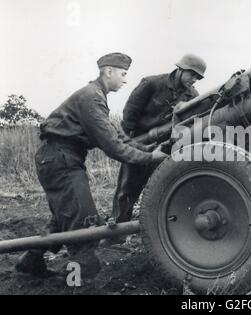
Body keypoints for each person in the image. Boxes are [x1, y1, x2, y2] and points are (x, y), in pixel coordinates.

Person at [15, 53, 167, 278]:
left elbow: (118, 136)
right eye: (123, 74)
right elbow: (112, 145)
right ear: (108, 71)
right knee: (85, 226)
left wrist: (150, 149)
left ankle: (30, 262)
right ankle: (80, 282)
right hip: (61, 159)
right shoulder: (92, 98)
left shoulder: (95, 96)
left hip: (59, 158)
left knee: (63, 216)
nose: (125, 80)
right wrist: (150, 158)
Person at [111, 54, 206, 230]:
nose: (194, 80)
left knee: (163, 188)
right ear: (181, 69)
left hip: (166, 147)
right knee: (128, 188)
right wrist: (128, 143)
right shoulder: (151, 83)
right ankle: (117, 230)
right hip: (140, 142)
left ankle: (159, 230)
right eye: (192, 75)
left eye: (197, 78)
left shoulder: (192, 95)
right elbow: (130, 114)